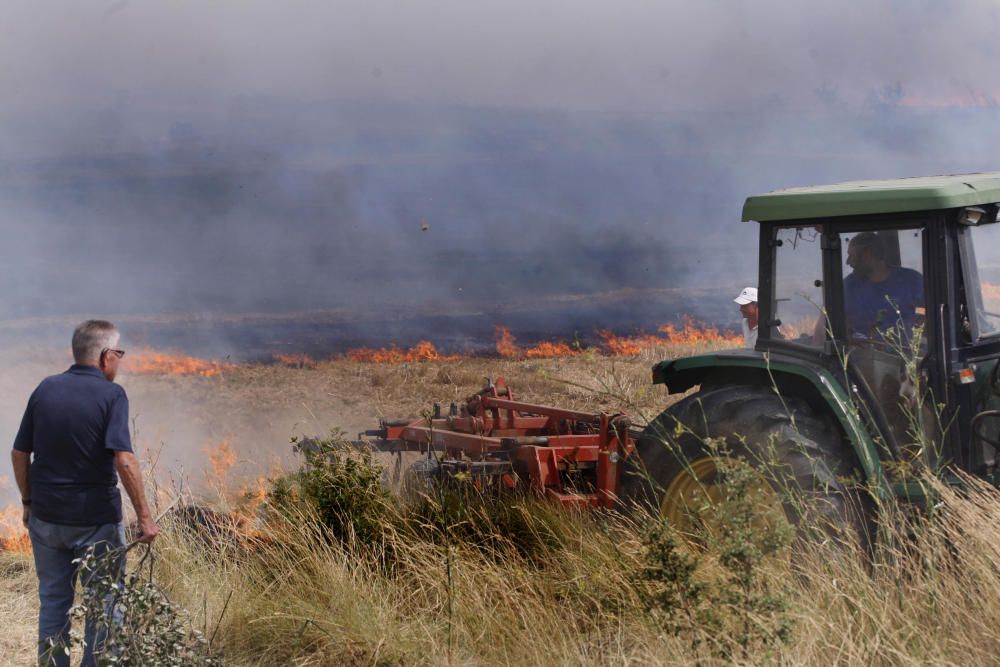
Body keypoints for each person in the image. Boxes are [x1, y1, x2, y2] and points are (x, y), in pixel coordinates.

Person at [11, 320, 158, 666]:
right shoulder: (112, 395)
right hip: (96, 523)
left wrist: (28, 502)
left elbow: (20, 453)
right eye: (119, 353)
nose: (119, 361)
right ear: (107, 356)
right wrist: (146, 516)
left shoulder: (45, 388)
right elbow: (123, 459)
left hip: (46, 520)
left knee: (53, 605)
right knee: (104, 608)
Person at [843, 232, 923, 340]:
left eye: (852, 256)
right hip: (862, 355)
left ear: (867, 255)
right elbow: (838, 327)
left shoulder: (912, 281)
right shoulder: (848, 286)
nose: (848, 262)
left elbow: (929, 319)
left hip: (905, 355)